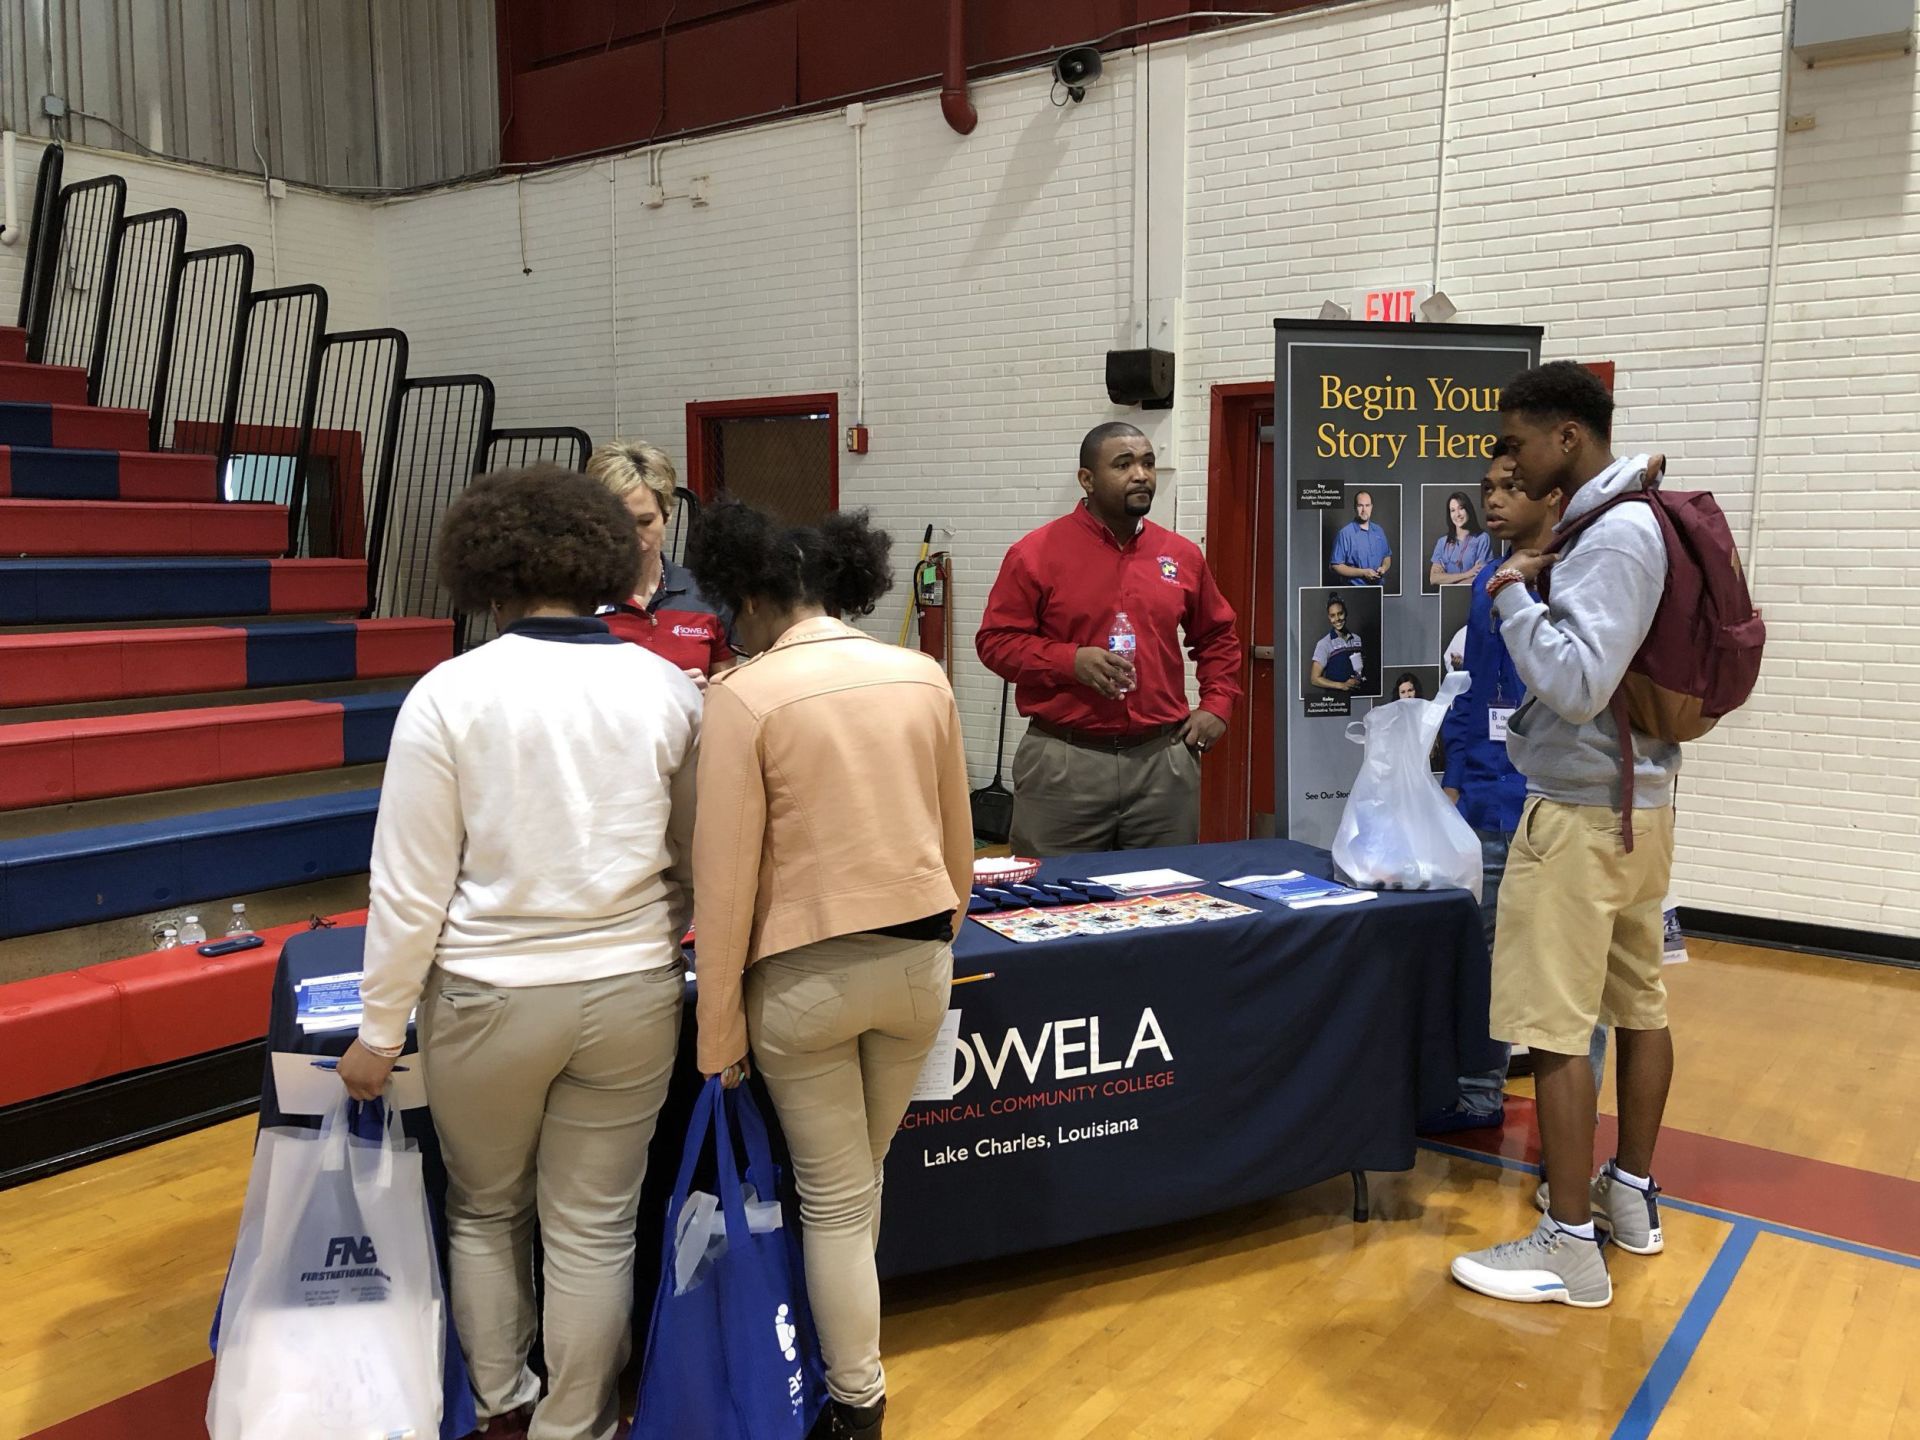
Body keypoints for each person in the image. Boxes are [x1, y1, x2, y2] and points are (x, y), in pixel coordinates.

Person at [337, 466, 702, 1439]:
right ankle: (576, 1425)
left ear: (486, 566)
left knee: (488, 1214)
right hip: (632, 994)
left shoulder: (449, 695)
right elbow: (696, 857)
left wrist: (379, 1030)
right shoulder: (667, 687)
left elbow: (409, 889)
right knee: (595, 1226)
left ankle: (505, 1402)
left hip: (490, 999)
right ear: (605, 558)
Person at [688, 501, 971, 1440]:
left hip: (803, 982)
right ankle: (850, 1374)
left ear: (757, 594)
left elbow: (723, 886)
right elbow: (957, 844)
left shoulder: (742, 694)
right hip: (919, 962)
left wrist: (717, 1033)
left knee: (839, 1197)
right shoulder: (921, 675)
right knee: (861, 1183)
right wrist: (939, 938)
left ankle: (856, 1398)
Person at [1451, 362, 1678, 1310]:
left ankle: (1570, 1245)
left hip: (1585, 815)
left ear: (1568, 441)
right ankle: (1626, 1196)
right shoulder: (1631, 519)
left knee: (1554, 1030)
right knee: (1638, 1003)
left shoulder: (1614, 533)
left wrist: (1509, 590)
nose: (1511, 459)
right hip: (1634, 807)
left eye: (1520, 442)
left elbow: (1578, 684)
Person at [1422, 441, 1607, 1136]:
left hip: (1559, 804)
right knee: (1485, 956)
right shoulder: (1490, 576)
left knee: (1571, 977)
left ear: (1552, 496)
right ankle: (1477, 1092)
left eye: (1510, 486)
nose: (1493, 499)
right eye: (1487, 487)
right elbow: (1473, 699)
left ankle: (1571, 1139)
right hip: (1486, 804)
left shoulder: (1576, 574)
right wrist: (1457, 783)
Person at [976, 422, 1242, 856]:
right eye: (1123, 464)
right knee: (1055, 908)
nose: (1141, 474)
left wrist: (1218, 704)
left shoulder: (1180, 555)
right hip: (1065, 762)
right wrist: (1070, 661)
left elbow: (1217, 636)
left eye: (1148, 463)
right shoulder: (1035, 554)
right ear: (1087, 479)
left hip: (1163, 761)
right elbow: (996, 642)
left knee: (1166, 901)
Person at [586, 439, 733, 685]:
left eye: (645, 521)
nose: (633, 536)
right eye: (619, 523)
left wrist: (710, 697)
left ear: (667, 514)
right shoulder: (576, 600)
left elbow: (730, 696)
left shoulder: (707, 595)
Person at [1428, 489, 1492, 587]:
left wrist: (1446, 580)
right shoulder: (1442, 542)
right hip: (1448, 599)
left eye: (1461, 508)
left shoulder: (1482, 538)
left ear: (1468, 509)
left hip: (1474, 597)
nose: (1457, 514)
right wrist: (1468, 574)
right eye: (1453, 510)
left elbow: (1481, 578)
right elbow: (1434, 578)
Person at [1329, 489, 1392, 585]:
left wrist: (1383, 568)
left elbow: (1387, 557)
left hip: (1378, 590)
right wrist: (1363, 573)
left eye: (1367, 505)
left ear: (1371, 507)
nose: (1364, 510)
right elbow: (1336, 566)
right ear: (1355, 507)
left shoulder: (1379, 530)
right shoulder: (1345, 534)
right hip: (1355, 592)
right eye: (1360, 506)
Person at [1308, 596, 1365, 694]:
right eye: (1333, 615)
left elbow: (1359, 669)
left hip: (1358, 696)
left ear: (1346, 613)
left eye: (1340, 613)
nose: (1337, 619)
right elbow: (1314, 679)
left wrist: (1359, 678)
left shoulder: (1357, 639)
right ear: (1329, 617)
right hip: (1337, 702)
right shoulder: (1324, 643)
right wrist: (1342, 685)